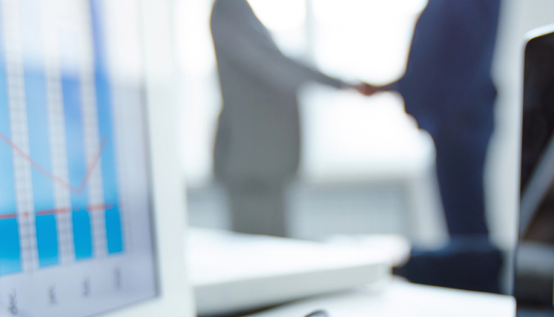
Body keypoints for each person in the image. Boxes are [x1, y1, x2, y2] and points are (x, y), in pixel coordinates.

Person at [365, 0, 504, 292]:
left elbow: (458, 63)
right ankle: (477, 291)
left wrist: (440, 113)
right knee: (463, 226)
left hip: (459, 122)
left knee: (467, 231)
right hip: (456, 120)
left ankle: (482, 297)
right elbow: (442, 59)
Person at [210, 0, 373, 237]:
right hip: (252, 162)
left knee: (272, 246)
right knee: (258, 250)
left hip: (263, 162)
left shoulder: (239, 9)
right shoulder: (229, 8)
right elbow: (273, 65)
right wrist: (342, 84)